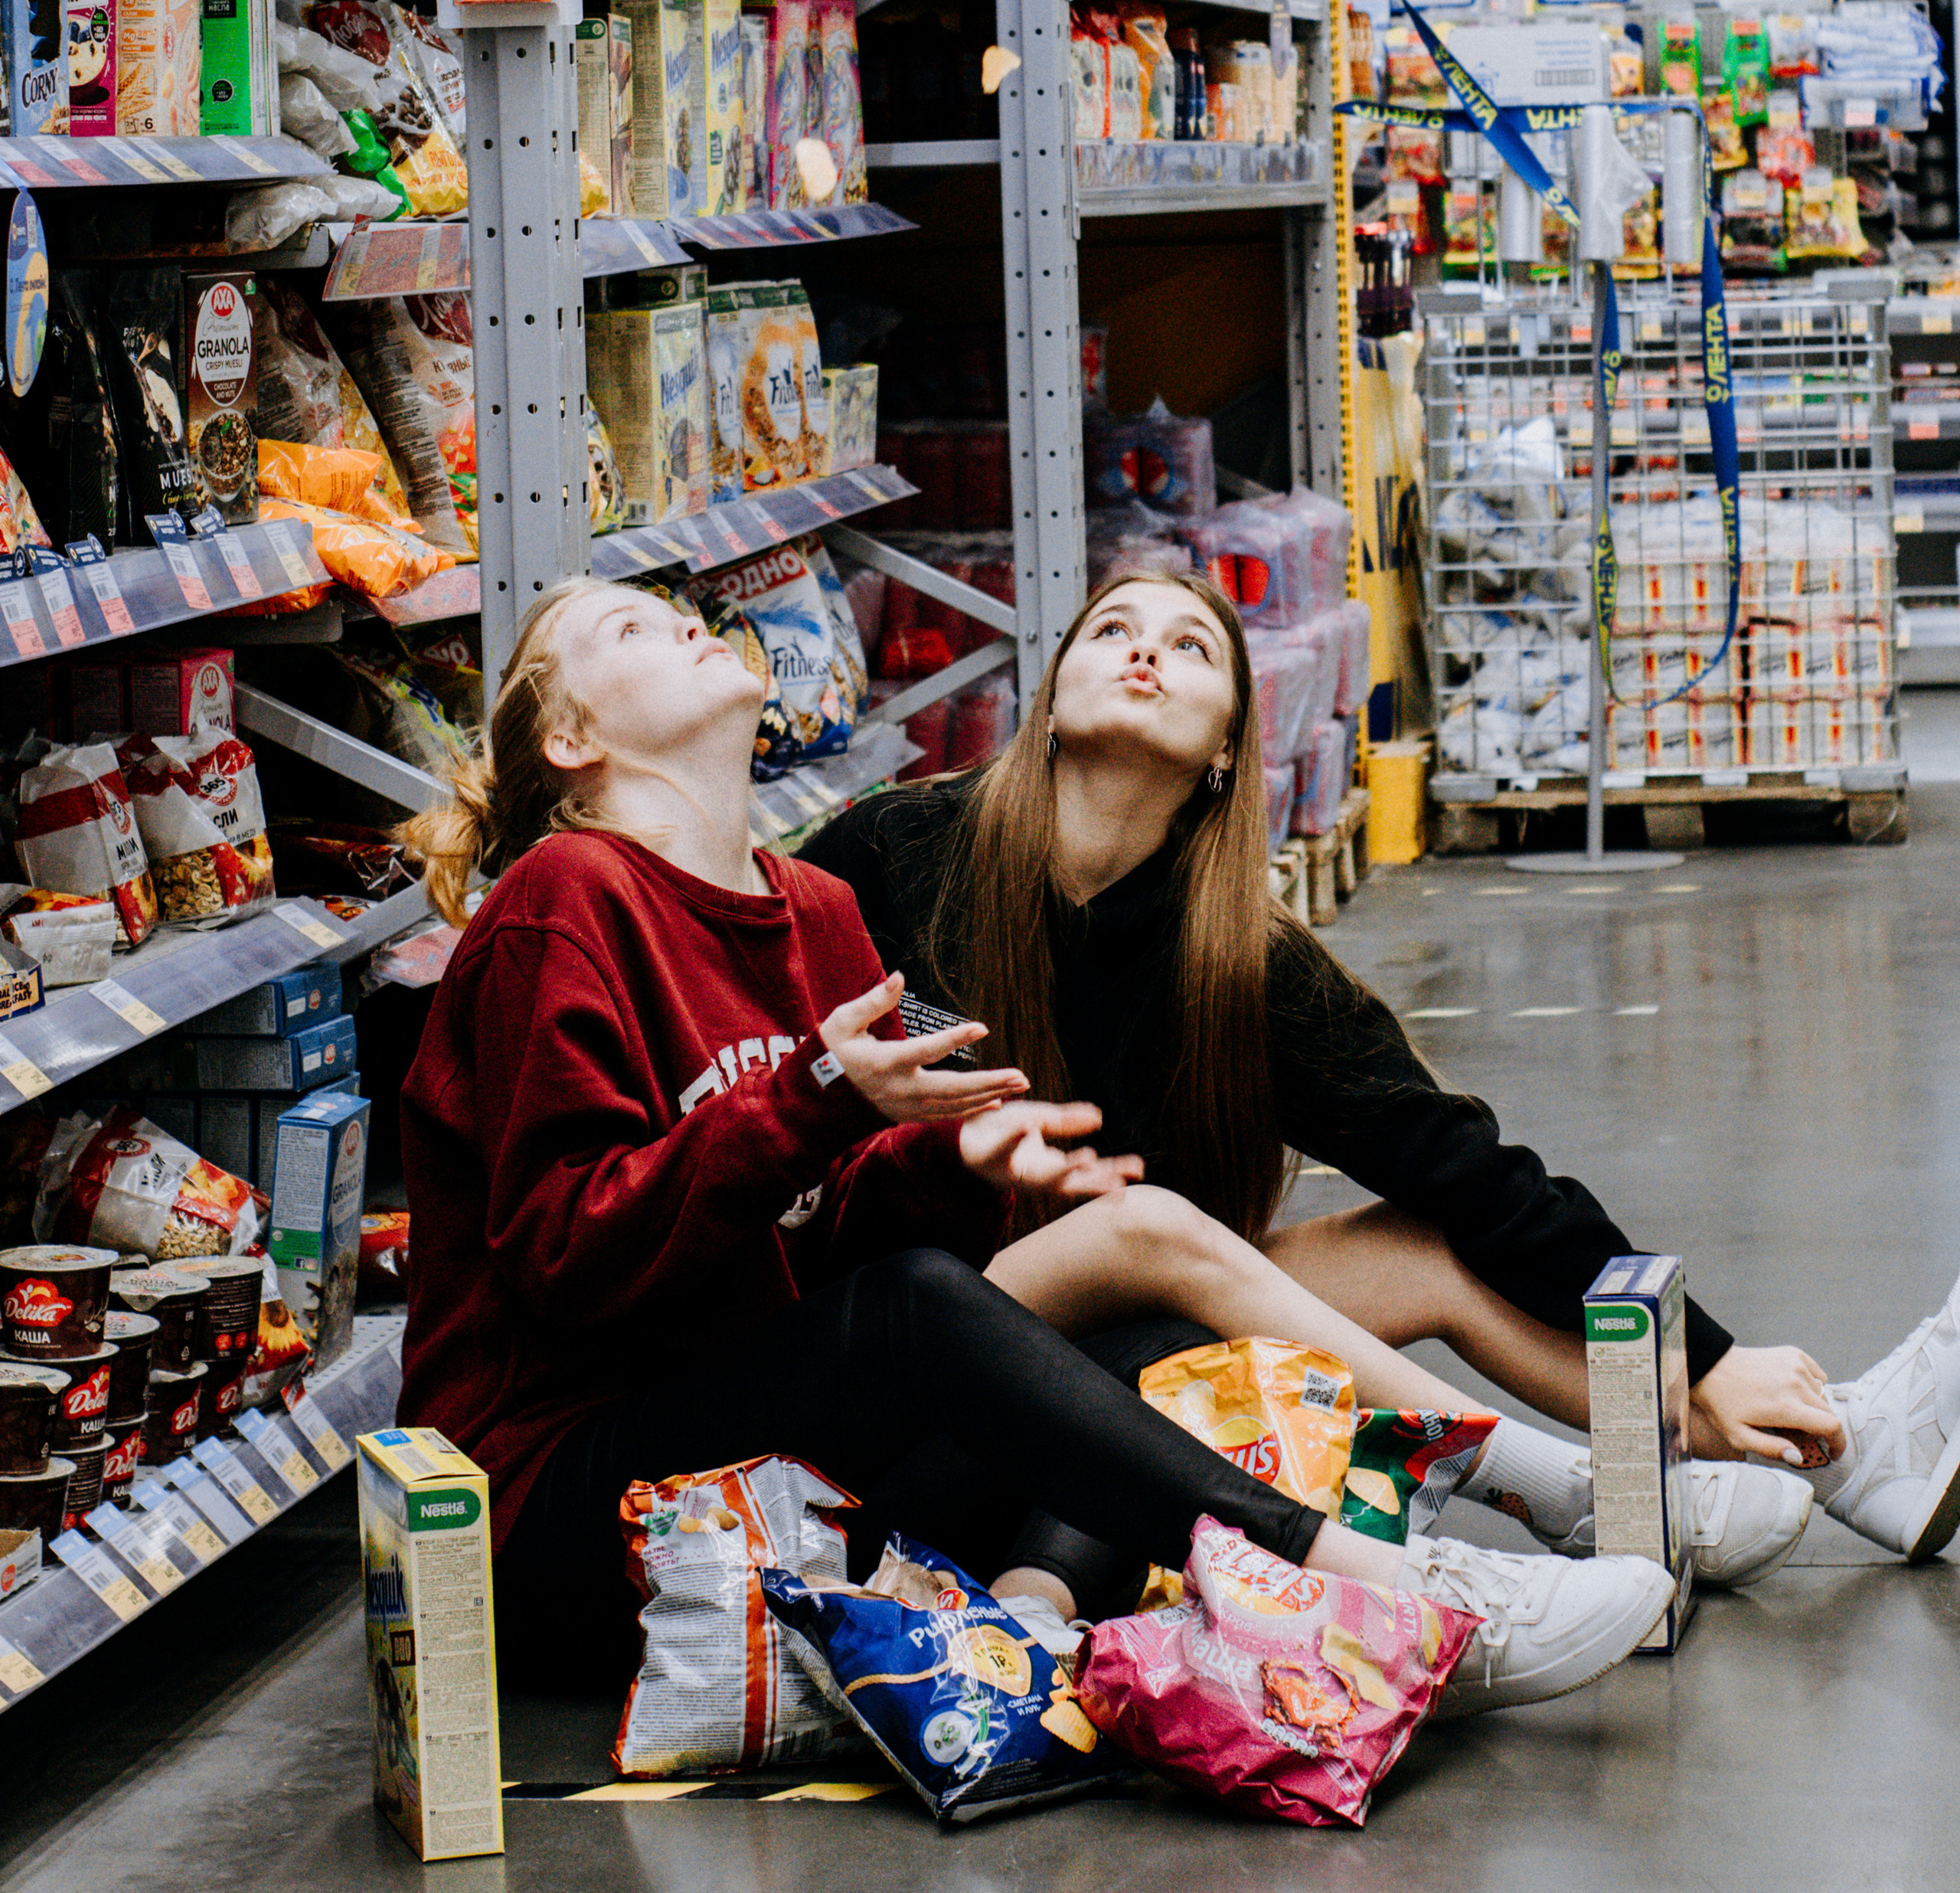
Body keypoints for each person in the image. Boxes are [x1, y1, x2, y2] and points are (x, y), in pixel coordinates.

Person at [394, 575, 1671, 1709]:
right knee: (911, 1311)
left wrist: (955, 1165)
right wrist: (822, 1097)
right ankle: (1393, 1592)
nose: (680, 613)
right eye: (625, 625)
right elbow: (568, 1254)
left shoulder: (821, 911)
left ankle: (1027, 1631)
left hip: (754, 1492)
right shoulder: (559, 907)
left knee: (1155, 1341)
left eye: (673, 605)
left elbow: (822, 1240)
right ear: (570, 741)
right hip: (560, 1518)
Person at [802, 567, 1960, 1581]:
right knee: (1140, 1222)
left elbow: (1474, 1176)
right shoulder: (891, 857)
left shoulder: (1238, 960)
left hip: (1116, 1356)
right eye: (1110, 631)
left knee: (1419, 1244)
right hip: (906, 1361)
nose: (1145, 648)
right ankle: (1580, 1488)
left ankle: (1837, 1452)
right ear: (1049, 700)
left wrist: (1703, 1347)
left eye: (1191, 645)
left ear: (1224, 754)